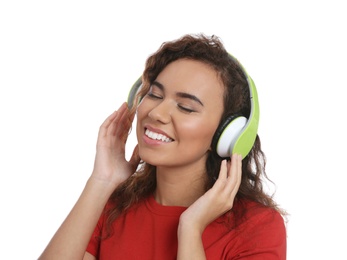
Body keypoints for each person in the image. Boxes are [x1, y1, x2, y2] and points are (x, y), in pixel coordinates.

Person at [39, 34, 287, 260]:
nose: (157, 113)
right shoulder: (111, 206)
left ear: (228, 134)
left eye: (186, 107)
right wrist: (102, 181)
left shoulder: (257, 226)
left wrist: (190, 229)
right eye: (155, 95)